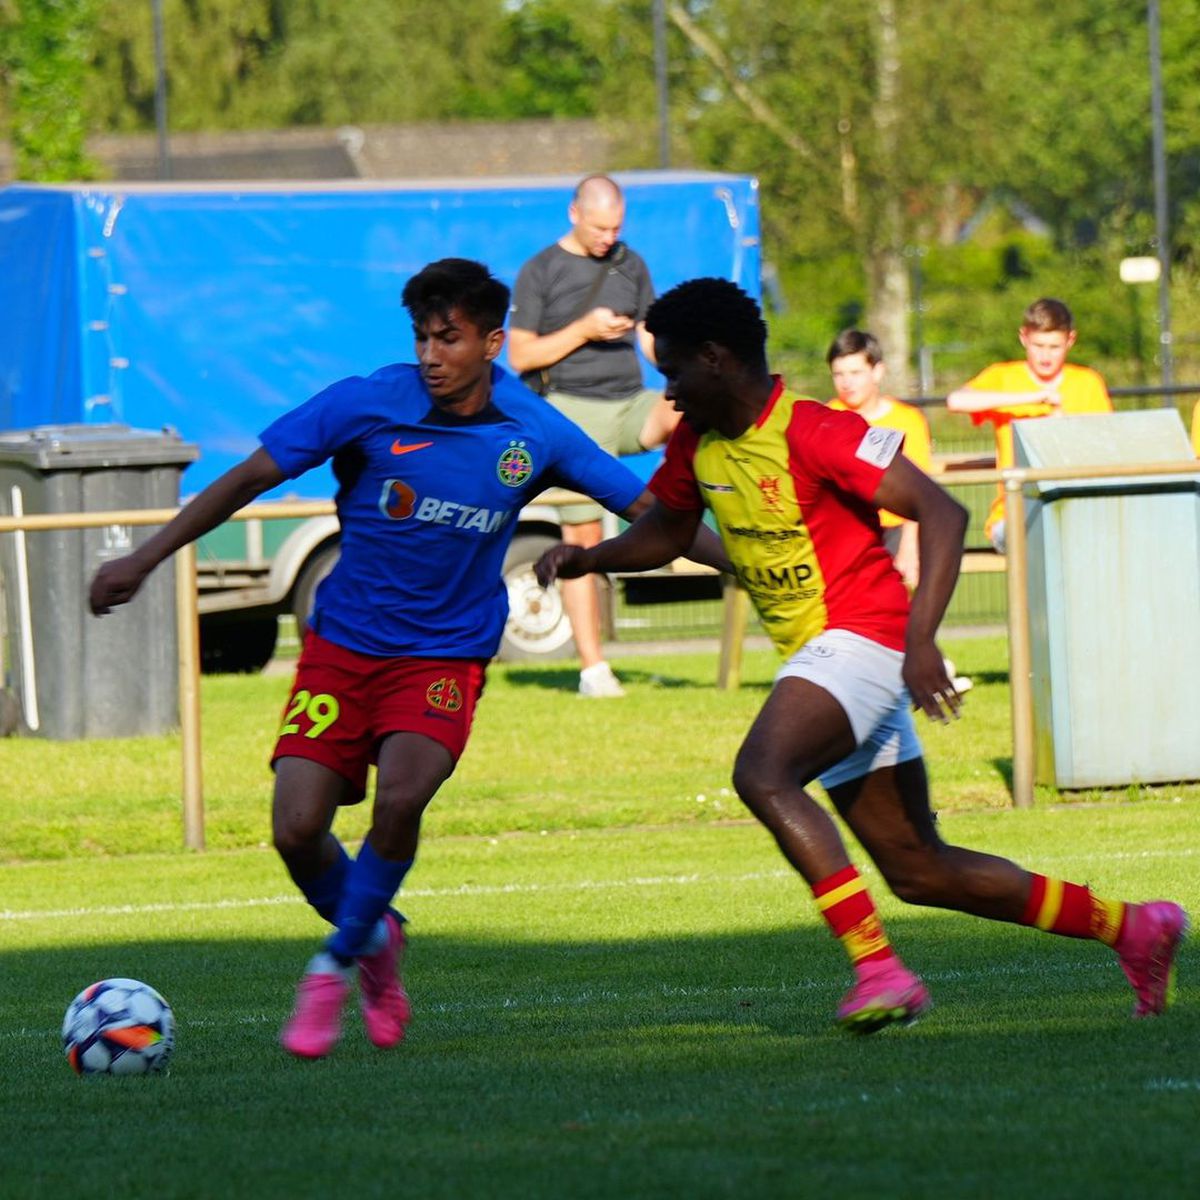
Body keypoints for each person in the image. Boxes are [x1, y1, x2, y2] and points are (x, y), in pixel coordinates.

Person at [537, 277, 1188, 1033]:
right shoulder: (699, 443)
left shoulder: (819, 430)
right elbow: (669, 532)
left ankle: (879, 969)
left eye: (675, 370)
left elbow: (940, 512)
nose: (669, 393)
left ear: (716, 359)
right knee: (920, 869)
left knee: (763, 773)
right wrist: (591, 560)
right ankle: (1133, 927)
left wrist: (920, 642)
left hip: (867, 636)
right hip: (824, 658)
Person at [89, 258, 660, 1060]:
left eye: (449, 338)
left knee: (400, 801)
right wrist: (143, 560)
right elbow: (247, 478)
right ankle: (378, 939)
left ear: (494, 343)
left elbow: (652, 515)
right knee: (295, 830)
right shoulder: (366, 401)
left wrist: (738, 556)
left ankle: (333, 965)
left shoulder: (536, 434)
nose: (430, 353)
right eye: (422, 336)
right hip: (342, 649)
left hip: (444, 656)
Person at [507, 174, 680, 698]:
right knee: (582, 540)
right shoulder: (539, 271)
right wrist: (584, 329)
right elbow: (519, 356)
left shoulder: (632, 263)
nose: (609, 237)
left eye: (617, 228)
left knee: (691, 414)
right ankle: (593, 670)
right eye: (601, 227)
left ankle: (685, 520)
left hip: (629, 403)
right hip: (568, 414)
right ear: (574, 214)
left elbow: (649, 334)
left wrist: (677, 367)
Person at [946, 297, 1112, 553]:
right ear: (1024, 337)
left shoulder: (1087, 382)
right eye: (1038, 345)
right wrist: (1035, 397)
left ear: (1070, 340)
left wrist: (1063, 425)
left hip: (1074, 505)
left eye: (1054, 347)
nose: (1045, 355)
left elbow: (1105, 441)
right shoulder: (1003, 376)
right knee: (1044, 536)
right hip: (1013, 513)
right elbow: (956, 400)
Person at [827, 329, 932, 589]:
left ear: (877, 371)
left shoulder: (908, 420)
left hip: (895, 526)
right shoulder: (826, 417)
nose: (846, 383)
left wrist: (910, 547)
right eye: (839, 374)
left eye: (855, 373)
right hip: (846, 529)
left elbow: (920, 488)